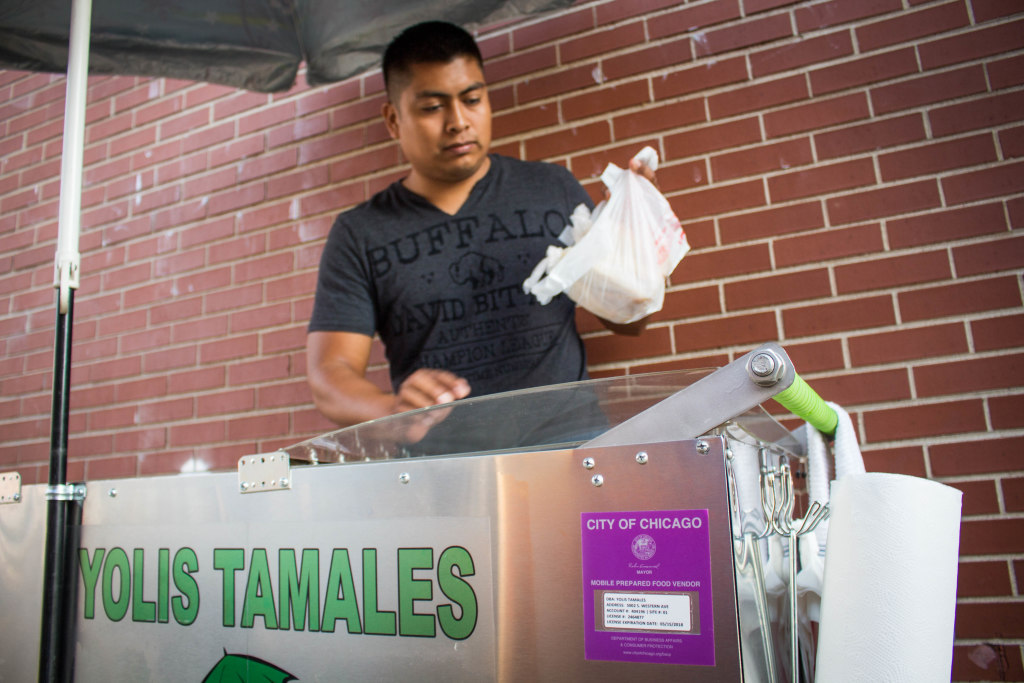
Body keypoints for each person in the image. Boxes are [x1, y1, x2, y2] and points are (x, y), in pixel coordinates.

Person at [306, 20, 654, 428]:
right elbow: (330, 374)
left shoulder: (553, 189)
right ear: (393, 119)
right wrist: (390, 411)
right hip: (441, 470)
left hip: (571, 452)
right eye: (432, 107)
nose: (458, 121)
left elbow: (631, 322)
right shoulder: (360, 233)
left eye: (471, 99)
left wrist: (631, 235)